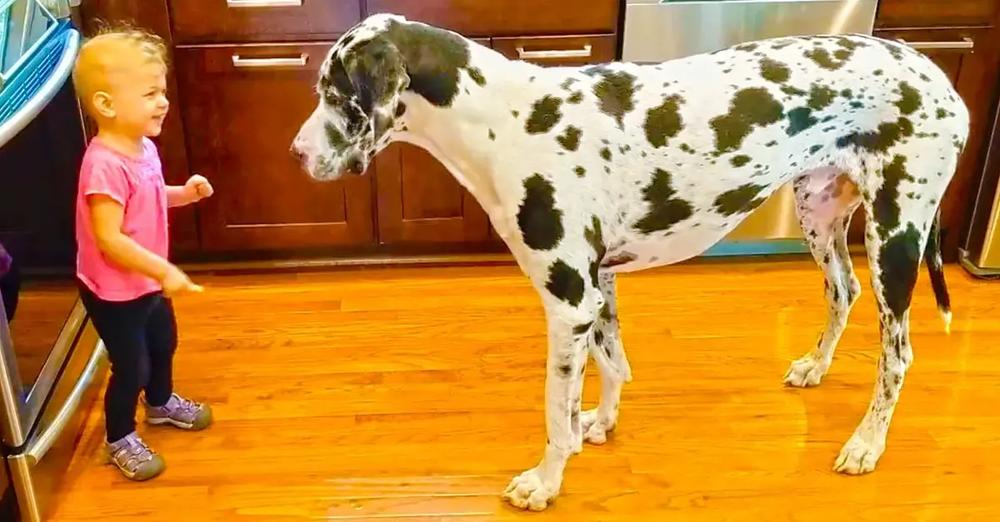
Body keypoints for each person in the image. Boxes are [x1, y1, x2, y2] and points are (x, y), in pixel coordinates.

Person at [72, 25, 214, 481]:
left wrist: (184, 195)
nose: (164, 102)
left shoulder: (143, 148)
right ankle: (118, 438)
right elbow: (110, 238)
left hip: (149, 280)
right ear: (107, 105)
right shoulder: (104, 166)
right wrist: (163, 269)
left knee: (163, 344)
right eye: (151, 93)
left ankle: (160, 403)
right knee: (130, 365)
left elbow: (150, 196)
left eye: (163, 91)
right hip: (115, 291)